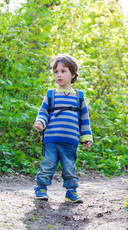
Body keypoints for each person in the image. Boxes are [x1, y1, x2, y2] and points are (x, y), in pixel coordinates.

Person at [34, 54, 93, 203]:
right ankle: (41, 188)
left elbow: (84, 119)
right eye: (56, 72)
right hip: (51, 138)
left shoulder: (79, 97)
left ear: (73, 74)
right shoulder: (51, 94)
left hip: (70, 140)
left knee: (69, 167)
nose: (59, 75)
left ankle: (71, 192)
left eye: (63, 71)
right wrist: (40, 122)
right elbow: (43, 112)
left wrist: (86, 137)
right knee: (48, 164)